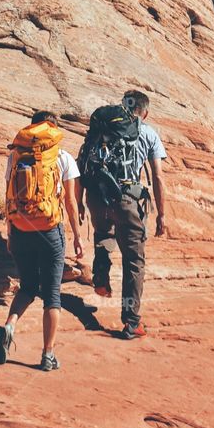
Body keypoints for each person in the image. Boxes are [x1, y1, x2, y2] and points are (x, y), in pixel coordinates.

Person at [0, 111, 83, 371]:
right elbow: (70, 201)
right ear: (53, 130)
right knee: (52, 295)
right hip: (49, 231)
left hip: (21, 228)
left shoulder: (15, 155)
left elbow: (9, 195)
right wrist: (77, 236)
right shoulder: (63, 157)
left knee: (28, 287)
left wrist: (10, 233)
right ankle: (47, 355)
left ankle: (9, 326)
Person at [77, 89, 167, 340]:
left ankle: (101, 279)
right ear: (145, 112)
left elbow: (83, 161)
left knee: (104, 234)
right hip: (127, 200)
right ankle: (131, 321)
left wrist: (80, 201)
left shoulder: (103, 129)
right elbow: (157, 176)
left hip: (96, 195)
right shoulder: (147, 133)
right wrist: (161, 213)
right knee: (134, 260)